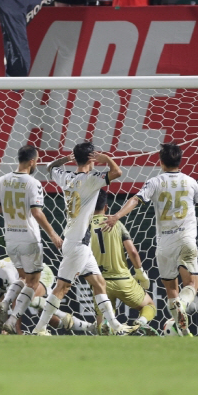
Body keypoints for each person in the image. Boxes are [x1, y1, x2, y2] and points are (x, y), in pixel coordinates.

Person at [103, 143, 198, 336]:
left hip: (164, 244)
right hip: (187, 240)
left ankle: (180, 326)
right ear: (179, 160)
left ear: (161, 161)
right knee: (191, 285)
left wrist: (117, 216)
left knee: (171, 290)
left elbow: (134, 200)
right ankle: (180, 321)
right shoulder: (191, 182)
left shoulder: (155, 182)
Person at [31, 141, 133, 336]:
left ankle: (115, 326)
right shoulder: (92, 179)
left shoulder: (66, 176)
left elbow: (50, 167)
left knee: (99, 283)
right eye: (95, 156)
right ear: (91, 158)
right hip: (77, 243)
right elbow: (118, 172)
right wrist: (107, 159)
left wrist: (63, 159)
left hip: (78, 241)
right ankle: (39, 328)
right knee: (62, 287)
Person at [0, 145, 64, 334]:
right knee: (33, 282)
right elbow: (37, 213)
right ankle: (12, 319)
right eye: (37, 160)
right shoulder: (32, 182)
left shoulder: (2, 180)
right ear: (32, 161)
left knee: (22, 277)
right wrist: (53, 235)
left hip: (10, 238)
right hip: (29, 239)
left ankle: (5, 303)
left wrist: (11, 204)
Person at [90, 189, 159, 336]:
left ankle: (107, 326)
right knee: (149, 305)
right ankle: (140, 323)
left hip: (99, 282)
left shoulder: (84, 227)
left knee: (102, 325)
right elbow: (132, 252)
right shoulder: (116, 223)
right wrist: (140, 272)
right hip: (123, 279)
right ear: (106, 207)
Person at [0, 258, 96, 334]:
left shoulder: (4, 271)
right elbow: (1, 303)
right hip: (28, 285)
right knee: (53, 320)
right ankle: (91, 327)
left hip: (42, 274)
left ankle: (20, 334)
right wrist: (4, 329)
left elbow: (18, 299)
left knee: (23, 298)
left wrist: (16, 331)